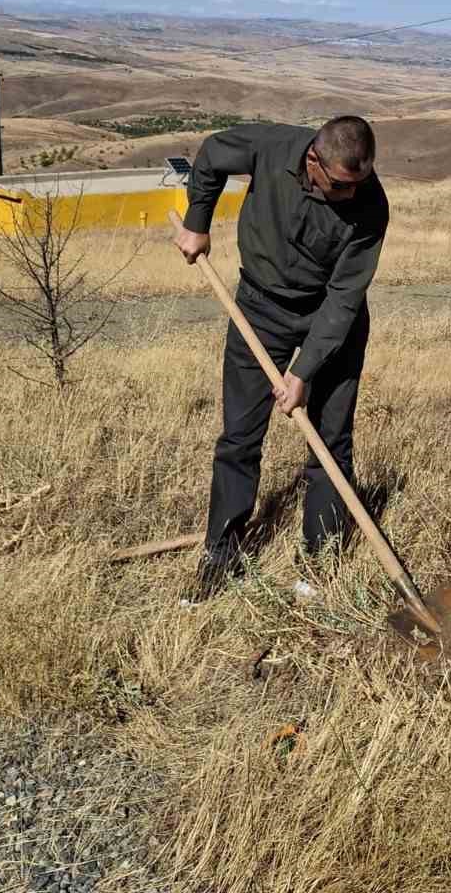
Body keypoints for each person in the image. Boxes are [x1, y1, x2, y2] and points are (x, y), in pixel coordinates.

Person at [174, 115, 388, 600]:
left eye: (361, 183)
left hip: (330, 321)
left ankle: (320, 561)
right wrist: (197, 222)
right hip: (259, 309)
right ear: (314, 161)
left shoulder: (371, 204)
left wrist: (302, 372)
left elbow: (344, 298)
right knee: (240, 436)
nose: (353, 196)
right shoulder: (270, 146)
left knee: (330, 441)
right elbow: (210, 156)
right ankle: (221, 553)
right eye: (341, 186)